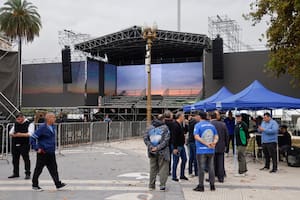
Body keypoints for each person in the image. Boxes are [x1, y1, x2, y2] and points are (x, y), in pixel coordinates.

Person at [30, 112, 66, 191]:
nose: (55, 119)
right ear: (48, 118)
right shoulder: (42, 128)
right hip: (43, 152)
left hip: (51, 151)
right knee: (39, 169)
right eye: (53, 117)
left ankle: (58, 183)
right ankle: (35, 185)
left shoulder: (53, 127)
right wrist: (36, 148)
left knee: (54, 168)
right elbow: (32, 138)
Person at [144, 113, 170, 191]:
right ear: (163, 119)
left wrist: (151, 147)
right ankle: (162, 185)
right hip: (163, 151)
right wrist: (158, 148)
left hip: (152, 151)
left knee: (153, 169)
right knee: (163, 168)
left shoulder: (149, 128)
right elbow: (166, 140)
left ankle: (151, 185)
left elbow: (145, 138)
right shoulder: (165, 128)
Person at [193, 111, 218, 192]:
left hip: (201, 150)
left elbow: (196, 137)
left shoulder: (198, 125)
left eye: (196, 116)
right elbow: (216, 136)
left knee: (201, 168)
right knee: (211, 167)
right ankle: (212, 185)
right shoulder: (211, 125)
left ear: (200, 117)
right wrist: (214, 142)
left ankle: (201, 186)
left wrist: (206, 143)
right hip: (211, 150)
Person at [8, 113, 34, 179]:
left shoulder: (30, 124)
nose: (17, 120)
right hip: (15, 143)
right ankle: (16, 173)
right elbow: (10, 133)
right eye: (16, 119)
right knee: (15, 159)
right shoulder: (16, 123)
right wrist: (15, 135)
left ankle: (27, 173)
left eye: (19, 119)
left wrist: (20, 134)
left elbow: (30, 134)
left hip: (24, 144)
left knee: (26, 159)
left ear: (22, 117)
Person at [210, 111, 228, 182]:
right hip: (221, 146)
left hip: (212, 146)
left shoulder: (210, 125)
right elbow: (227, 136)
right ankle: (221, 178)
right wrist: (226, 145)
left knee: (212, 163)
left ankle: (212, 177)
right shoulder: (223, 124)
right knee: (221, 162)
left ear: (211, 117)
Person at [172, 111, 188, 181]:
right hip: (177, 145)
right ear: (180, 117)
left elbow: (185, 131)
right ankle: (174, 176)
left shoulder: (180, 124)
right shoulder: (175, 125)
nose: (184, 117)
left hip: (181, 145)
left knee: (184, 159)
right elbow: (174, 137)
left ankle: (182, 174)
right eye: (183, 116)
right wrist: (175, 148)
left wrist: (186, 124)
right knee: (176, 160)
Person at [234, 112, 250, 176]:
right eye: (237, 117)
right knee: (241, 156)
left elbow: (247, 133)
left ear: (241, 117)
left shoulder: (243, 124)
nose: (237, 118)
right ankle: (244, 170)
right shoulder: (237, 124)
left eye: (239, 117)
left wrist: (246, 142)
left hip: (242, 142)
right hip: (238, 143)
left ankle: (241, 171)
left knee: (241, 156)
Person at [187, 112, 200, 177]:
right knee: (195, 157)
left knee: (191, 157)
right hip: (194, 141)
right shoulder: (195, 123)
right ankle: (196, 172)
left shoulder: (190, 121)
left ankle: (190, 171)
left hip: (190, 140)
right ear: (196, 116)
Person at [164, 110, 175, 175]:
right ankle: (168, 170)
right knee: (169, 158)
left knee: (162, 157)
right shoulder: (173, 123)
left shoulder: (162, 123)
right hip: (171, 142)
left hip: (163, 142)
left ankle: (162, 170)